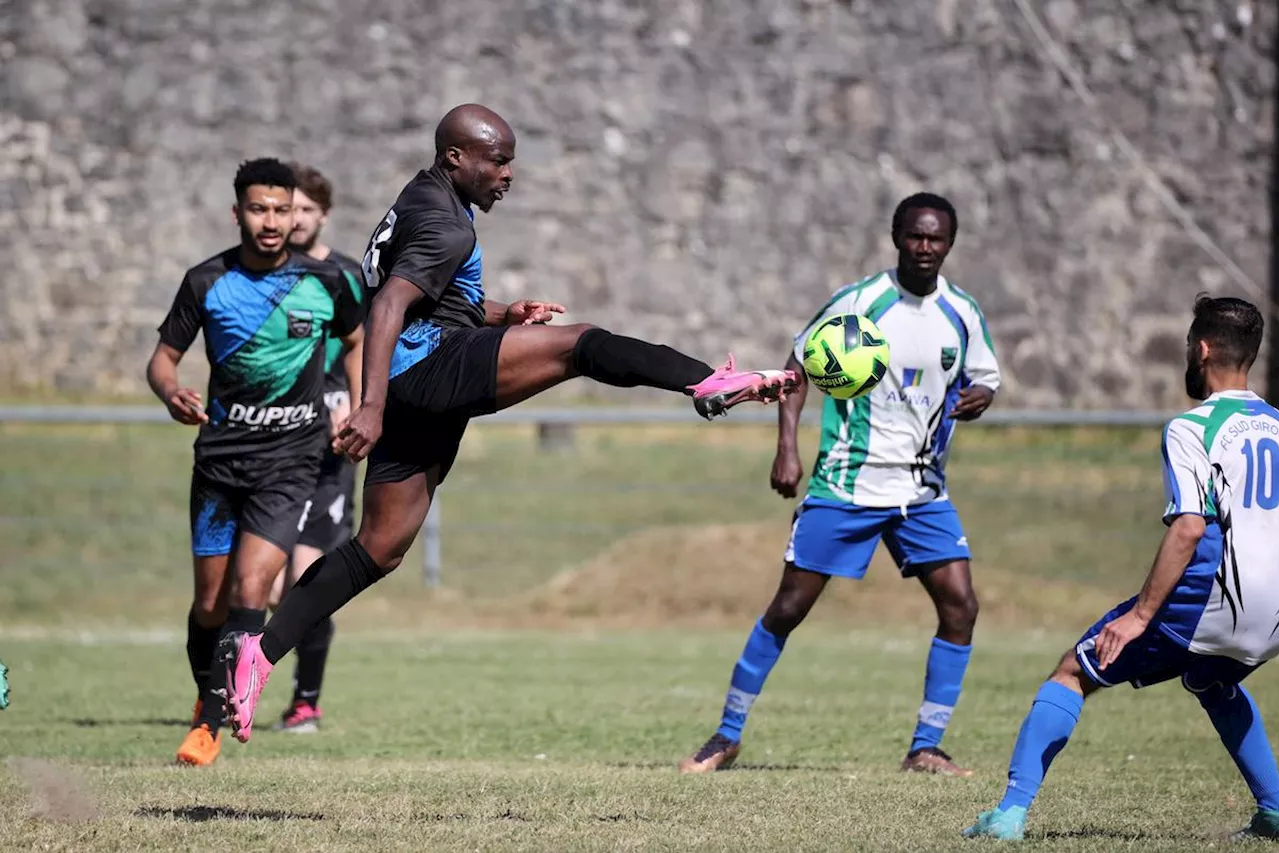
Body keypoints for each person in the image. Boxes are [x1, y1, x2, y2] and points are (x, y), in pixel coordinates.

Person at [218, 103, 798, 742]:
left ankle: (257, 653)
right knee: (580, 345)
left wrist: (499, 314)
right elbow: (387, 307)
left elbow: (426, 291)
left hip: (416, 380)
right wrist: (371, 406)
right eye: (498, 160)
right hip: (423, 374)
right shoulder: (448, 224)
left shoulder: (419, 199)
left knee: (378, 549)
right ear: (456, 158)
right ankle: (707, 382)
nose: (509, 173)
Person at [680, 193, 1001, 776]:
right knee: (788, 608)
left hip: (923, 491)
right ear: (897, 236)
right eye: (916, 236)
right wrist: (787, 448)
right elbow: (796, 369)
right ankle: (725, 736)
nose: (926, 248)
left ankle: (925, 747)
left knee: (962, 606)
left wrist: (982, 396)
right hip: (847, 485)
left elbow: (983, 378)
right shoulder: (860, 304)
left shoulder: (963, 311)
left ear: (950, 243)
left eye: (937, 239)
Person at [965, 296, 1279, 841]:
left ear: (1201, 349)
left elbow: (1188, 527)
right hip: (1274, 612)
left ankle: (1009, 816)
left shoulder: (1191, 428)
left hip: (1213, 599)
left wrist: (1139, 615)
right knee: (1212, 679)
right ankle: (1274, 810)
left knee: (1071, 670)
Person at [146, 158, 364, 765]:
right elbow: (162, 360)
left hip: (290, 463)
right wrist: (172, 393)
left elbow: (357, 339)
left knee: (254, 587)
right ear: (237, 212)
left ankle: (211, 725)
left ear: (296, 211)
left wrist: (356, 403)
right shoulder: (206, 280)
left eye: (282, 209)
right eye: (259, 209)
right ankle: (204, 697)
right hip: (219, 463)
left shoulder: (326, 282)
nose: (272, 222)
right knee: (210, 604)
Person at [264, 163, 367, 734]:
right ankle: (224, 689)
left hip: (329, 458)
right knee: (269, 585)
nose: (295, 219)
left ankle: (305, 702)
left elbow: (364, 347)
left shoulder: (348, 276)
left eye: (305, 209)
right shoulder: (264, 275)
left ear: (322, 214)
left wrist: (356, 404)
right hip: (275, 448)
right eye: (287, 209)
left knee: (311, 580)